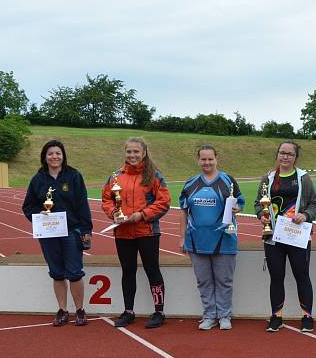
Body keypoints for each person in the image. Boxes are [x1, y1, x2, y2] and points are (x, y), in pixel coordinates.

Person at [102, 137, 171, 329]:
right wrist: (114, 213)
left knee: (152, 270)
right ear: (124, 153)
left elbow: (163, 202)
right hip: (123, 232)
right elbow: (107, 200)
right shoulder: (115, 176)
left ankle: (159, 311)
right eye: (129, 152)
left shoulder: (155, 176)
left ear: (144, 153)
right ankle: (129, 311)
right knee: (128, 271)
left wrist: (142, 215)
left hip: (147, 231)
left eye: (136, 152)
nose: (132, 155)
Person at [22, 140, 93, 326]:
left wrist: (86, 229)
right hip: (48, 233)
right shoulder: (38, 179)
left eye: (58, 153)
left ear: (63, 156)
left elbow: (82, 204)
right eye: (51, 154)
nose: (55, 157)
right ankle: (62, 310)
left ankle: (80, 310)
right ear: (44, 157)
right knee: (57, 273)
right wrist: (39, 214)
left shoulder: (74, 176)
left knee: (75, 272)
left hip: (71, 231)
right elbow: (28, 206)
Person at [254, 141, 316, 333]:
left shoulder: (303, 178)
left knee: (302, 275)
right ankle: (276, 316)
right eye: (282, 153)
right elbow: (258, 203)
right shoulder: (268, 178)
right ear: (277, 155)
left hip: (297, 235)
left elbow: (314, 204)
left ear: (295, 157)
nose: (285, 157)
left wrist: (305, 215)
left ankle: (307, 317)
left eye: (289, 154)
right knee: (276, 276)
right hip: (273, 235)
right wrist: (261, 215)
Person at [179, 146, 245, 331]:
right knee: (204, 281)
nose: (207, 163)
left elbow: (239, 202)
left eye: (210, 159)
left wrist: (237, 208)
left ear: (216, 159)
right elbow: (184, 212)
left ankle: (224, 315)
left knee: (224, 280)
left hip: (224, 239)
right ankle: (209, 315)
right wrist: (181, 237)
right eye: (203, 159)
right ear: (198, 160)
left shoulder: (228, 181)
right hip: (196, 240)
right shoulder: (191, 183)